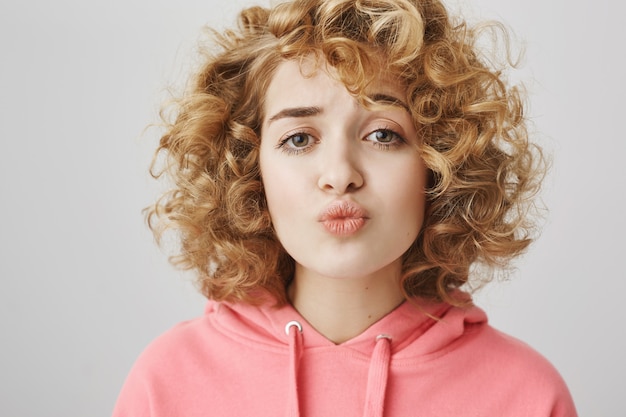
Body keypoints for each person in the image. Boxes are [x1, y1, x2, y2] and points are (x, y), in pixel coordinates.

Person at [112, 0, 577, 416]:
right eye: (299, 139)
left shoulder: (527, 396)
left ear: (439, 164)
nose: (340, 173)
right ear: (250, 173)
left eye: (382, 134)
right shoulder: (168, 381)